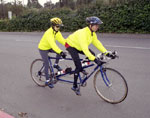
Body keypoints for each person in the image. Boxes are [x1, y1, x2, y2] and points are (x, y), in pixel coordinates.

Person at [65, 16, 114, 95]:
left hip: (78, 46)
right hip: (70, 45)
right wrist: (95, 60)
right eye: (96, 25)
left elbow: (97, 43)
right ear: (91, 25)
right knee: (78, 66)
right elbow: (85, 49)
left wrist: (106, 52)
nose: (98, 27)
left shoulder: (92, 33)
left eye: (98, 25)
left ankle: (82, 66)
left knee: (92, 54)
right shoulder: (83, 33)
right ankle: (74, 86)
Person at [38, 17, 66, 88]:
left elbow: (63, 41)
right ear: (53, 25)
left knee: (58, 52)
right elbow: (53, 45)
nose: (58, 28)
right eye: (57, 26)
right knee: (47, 64)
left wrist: (70, 46)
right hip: (43, 48)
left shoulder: (57, 32)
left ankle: (56, 64)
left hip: (49, 47)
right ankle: (47, 81)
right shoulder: (49, 33)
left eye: (59, 26)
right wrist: (61, 52)